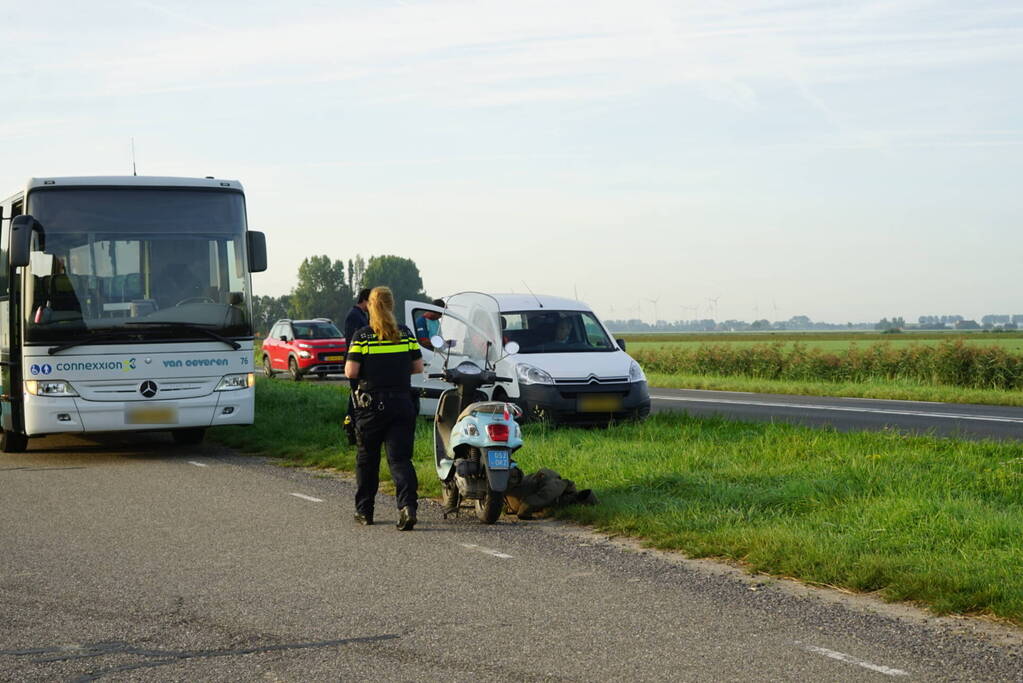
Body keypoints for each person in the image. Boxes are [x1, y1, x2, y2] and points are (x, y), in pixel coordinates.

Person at [345, 286, 424, 530]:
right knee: (400, 460)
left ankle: (365, 512)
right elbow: (418, 367)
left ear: (370, 305)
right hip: (402, 403)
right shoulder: (406, 334)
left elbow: (351, 372)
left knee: (368, 460)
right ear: (391, 305)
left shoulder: (363, 336)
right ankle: (407, 507)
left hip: (370, 407)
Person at [342, 289, 372, 444]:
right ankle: (351, 429)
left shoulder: (361, 315)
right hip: (355, 362)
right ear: (365, 299)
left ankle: (352, 427)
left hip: (361, 363)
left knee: (356, 395)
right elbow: (351, 342)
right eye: (371, 301)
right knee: (355, 396)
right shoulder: (354, 316)